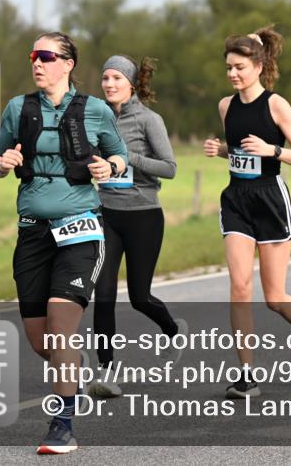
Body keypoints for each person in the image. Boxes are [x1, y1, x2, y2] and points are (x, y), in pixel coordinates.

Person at [0, 32, 128, 454]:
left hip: (81, 230)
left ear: (67, 63)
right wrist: (3, 163)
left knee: (61, 324)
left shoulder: (96, 109)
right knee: (40, 339)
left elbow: (120, 155)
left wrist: (109, 165)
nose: (37, 62)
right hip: (32, 231)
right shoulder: (19, 108)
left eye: (46, 56)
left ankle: (62, 424)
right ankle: (74, 371)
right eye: (33, 55)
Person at [203, 27, 291, 399]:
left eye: (239, 67)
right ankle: (247, 374)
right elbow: (239, 151)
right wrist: (222, 150)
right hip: (237, 199)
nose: (233, 74)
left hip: (271, 199)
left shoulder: (276, 105)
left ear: (258, 65)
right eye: (228, 68)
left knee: (274, 297)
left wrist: (272, 150)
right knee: (239, 287)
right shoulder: (226, 106)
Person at [90, 55, 187, 399]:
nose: (109, 84)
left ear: (131, 83)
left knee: (139, 296)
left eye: (116, 78)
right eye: (105, 78)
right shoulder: (96, 118)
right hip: (106, 213)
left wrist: (128, 159)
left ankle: (173, 330)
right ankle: (106, 369)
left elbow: (170, 168)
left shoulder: (149, 120)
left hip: (144, 215)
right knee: (102, 294)